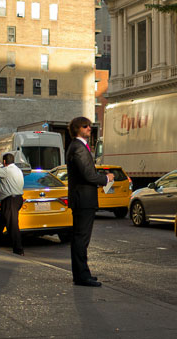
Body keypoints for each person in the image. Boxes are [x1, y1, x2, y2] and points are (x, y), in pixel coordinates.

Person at [66, 116, 112, 287]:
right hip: (83, 200)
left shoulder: (79, 147)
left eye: (90, 126)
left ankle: (83, 274)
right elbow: (88, 175)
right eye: (86, 126)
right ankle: (81, 276)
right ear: (78, 129)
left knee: (82, 239)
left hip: (83, 199)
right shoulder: (78, 147)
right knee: (81, 239)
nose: (89, 129)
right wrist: (105, 178)